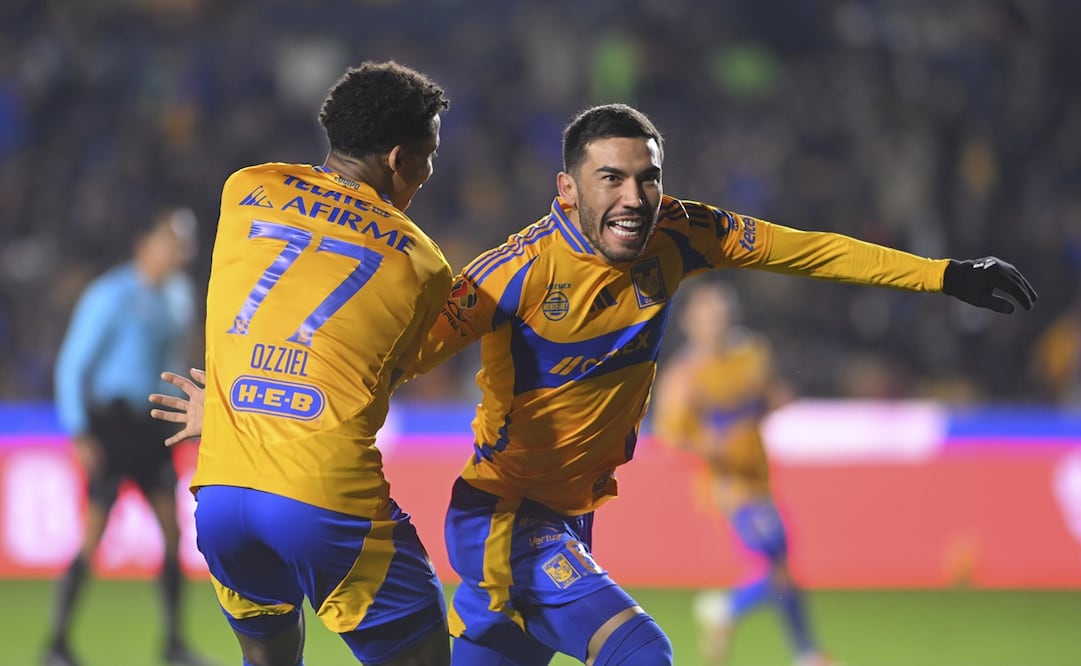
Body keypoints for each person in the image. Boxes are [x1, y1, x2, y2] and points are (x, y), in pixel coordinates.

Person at [152, 103, 1037, 666]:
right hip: (505, 518)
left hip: (567, 513)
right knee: (640, 654)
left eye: (647, 176)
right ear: (565, 189)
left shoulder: (683, 236)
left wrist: (945, 275)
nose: (634, 195)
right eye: (610, 177)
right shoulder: (508, 276)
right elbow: (375, 355)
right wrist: (240, 404)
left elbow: (809, 250)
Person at [154, 61, 454, 666]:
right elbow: (372, 373)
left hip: (222, 496)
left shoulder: (246, 188)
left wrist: (242, 405)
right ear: (398, 159)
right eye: (428, 157)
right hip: (323, 499)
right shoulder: (423, 265)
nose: (427, 174)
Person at [47, 207, 208, 666]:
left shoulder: (178, 296)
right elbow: (73, 364)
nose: (181, 252)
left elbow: (176, 360)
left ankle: (173, 643)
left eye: (185, 244)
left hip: (151, 425)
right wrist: (79, 431)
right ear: (147, 244)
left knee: (172, 530)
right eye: (173, 242)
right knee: (94, 532)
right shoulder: (110, 294)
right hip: (111, 424)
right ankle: (56, 643)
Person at [652, 278, 823, 666]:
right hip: (728, 484)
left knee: (781, 568)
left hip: (760, 476)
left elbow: (763, 399)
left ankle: (802, 651)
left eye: (721, 311)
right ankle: (731, 610)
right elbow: (670, 435)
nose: (716, 319)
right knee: (777, 563)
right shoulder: (685, 376)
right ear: (691, 322)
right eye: (707, 313)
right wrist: (707, 446)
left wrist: (774, 403)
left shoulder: (753, 354)